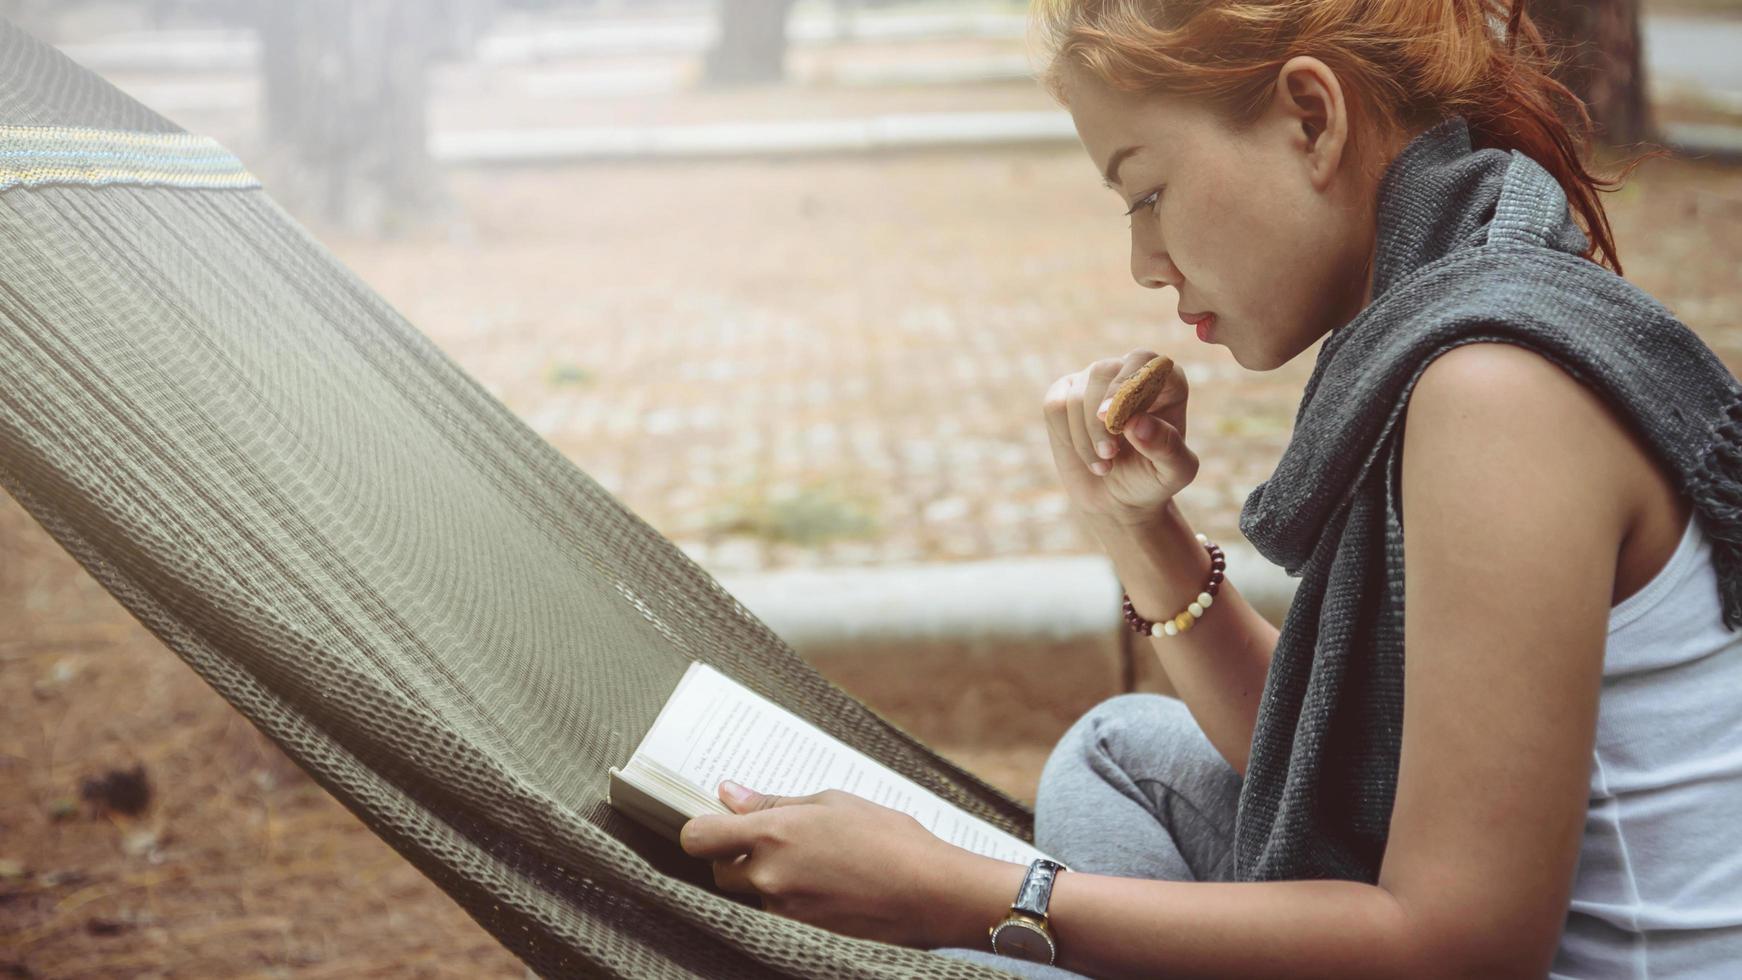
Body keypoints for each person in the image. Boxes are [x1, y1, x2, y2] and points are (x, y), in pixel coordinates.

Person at [675, 1, 1742, 977]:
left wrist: (962, 896)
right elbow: (1319, 750)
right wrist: (1138, 528)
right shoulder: (1469, 296)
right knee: (1119, 750)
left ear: (1310, 118)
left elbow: (1458, 948)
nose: (1143, 260)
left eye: (1146, 191)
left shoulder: (1494, 395)